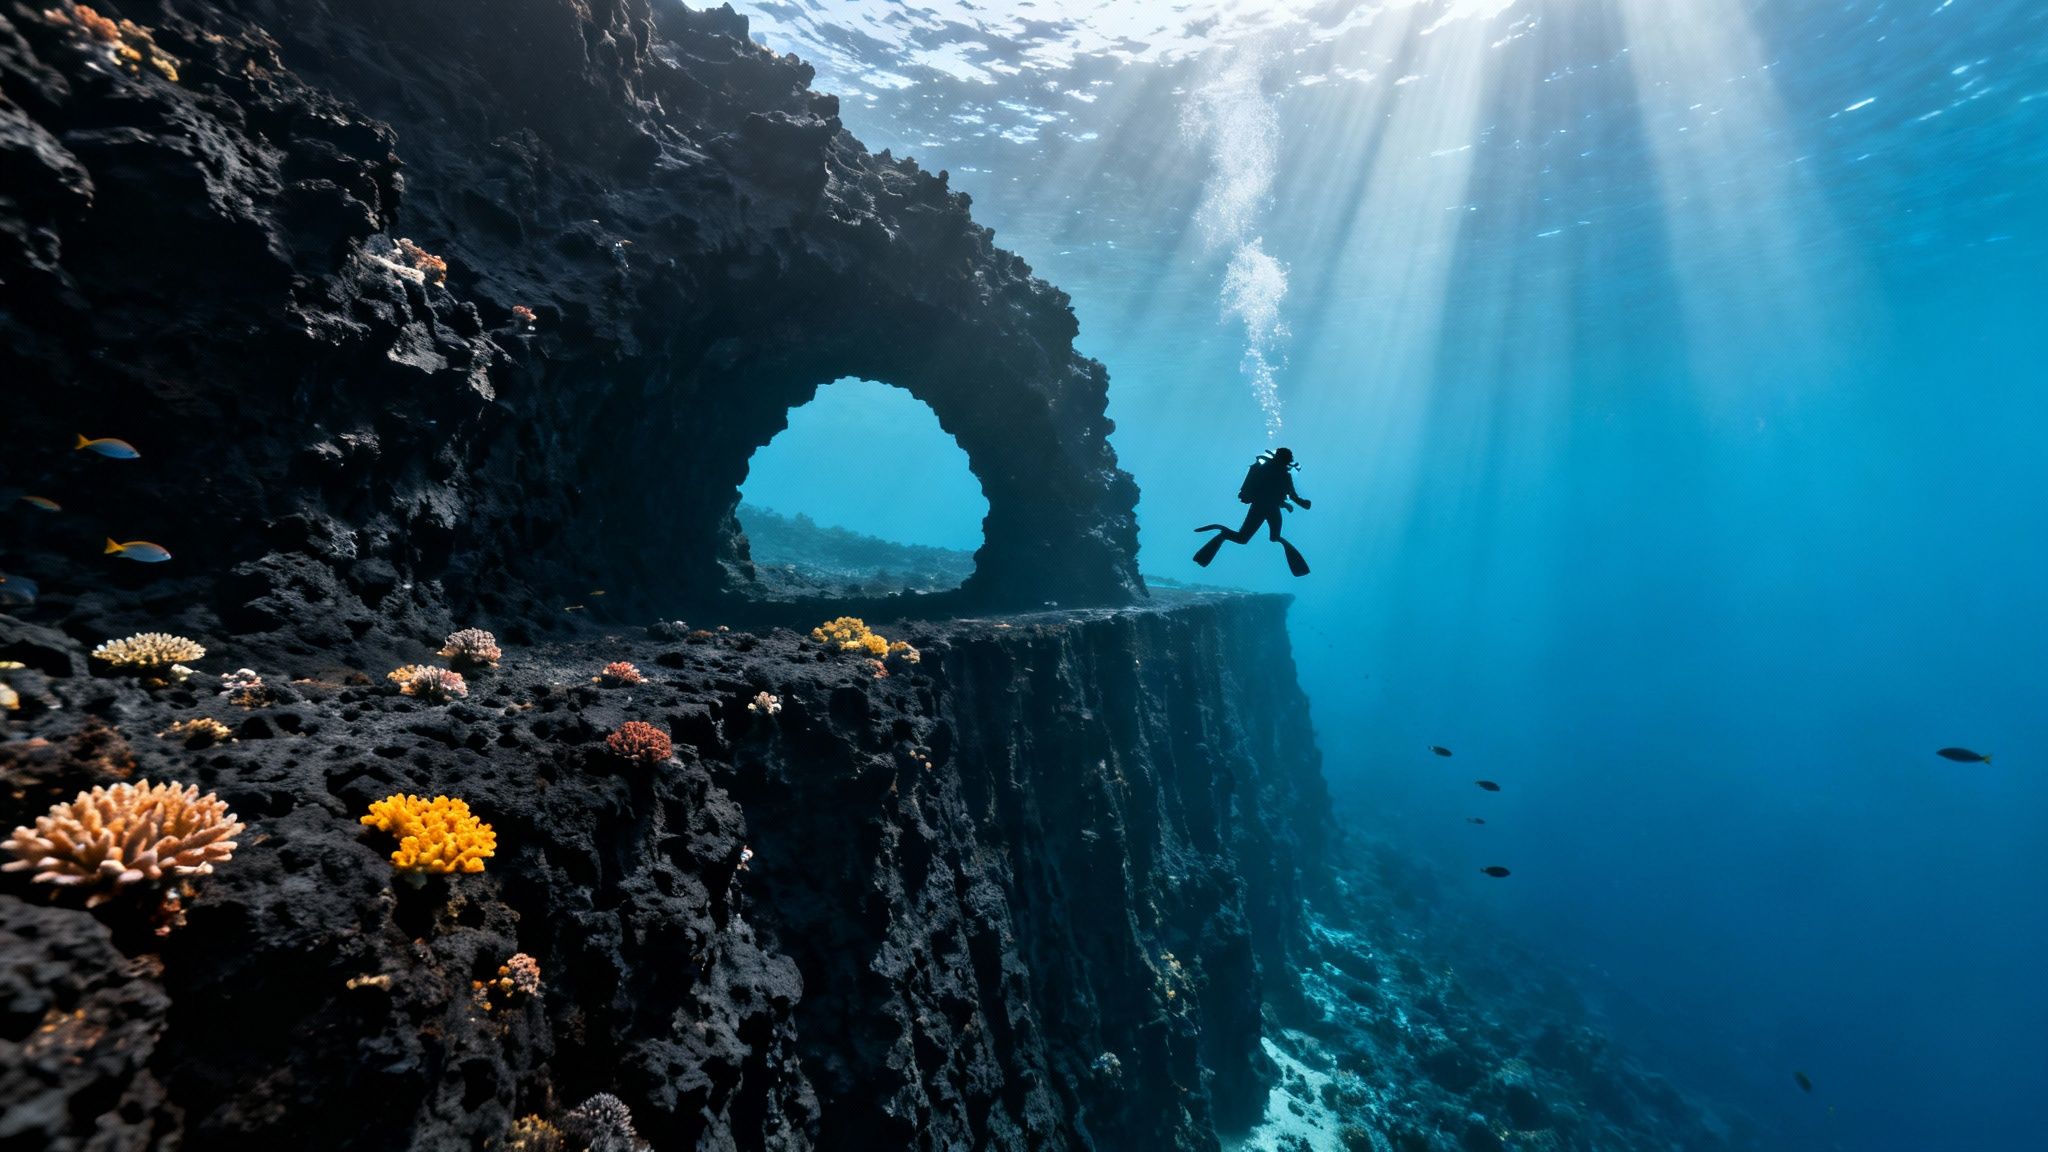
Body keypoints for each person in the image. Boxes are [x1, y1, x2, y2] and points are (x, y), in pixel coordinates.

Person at [1194, 447, 1312, 576]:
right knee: (1247, 539)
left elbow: (1290, 495)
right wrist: (1300, 503)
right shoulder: (1268, 471)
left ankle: (1224, 535)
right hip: (1260, 508)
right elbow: (1283, 494)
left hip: (1268, 508)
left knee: (1271, 537)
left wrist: (1298, 503)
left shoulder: (1281, 474)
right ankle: (1224, 535)